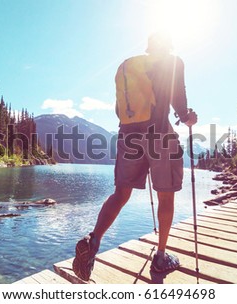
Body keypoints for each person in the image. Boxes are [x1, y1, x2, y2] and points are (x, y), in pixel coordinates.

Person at [72, 32, 198, 281]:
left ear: (149, 47)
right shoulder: (173, 62)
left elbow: (120, 109)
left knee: (121, 193)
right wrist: (187, 117)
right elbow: (179, 101)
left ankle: (93, 239)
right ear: (169, 44)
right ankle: (161, 258)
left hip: (128, 135)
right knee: (166, 195)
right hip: (159, 133)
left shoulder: (128, 67)